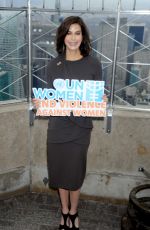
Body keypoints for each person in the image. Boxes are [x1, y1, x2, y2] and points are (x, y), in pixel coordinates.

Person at [36, 16, 104, 229]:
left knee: (74, 174)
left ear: (83, 36)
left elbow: (97, 96)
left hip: (81, 129)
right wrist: (41, 102)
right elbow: (51, 98)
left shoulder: (93, 63)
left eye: (77, 33)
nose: (72, 38)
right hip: (57, 128)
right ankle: (64, 211)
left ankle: (74, 212)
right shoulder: (53, 65)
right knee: (59, 172)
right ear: (62, 36)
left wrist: (101, 100)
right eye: (68, 33)